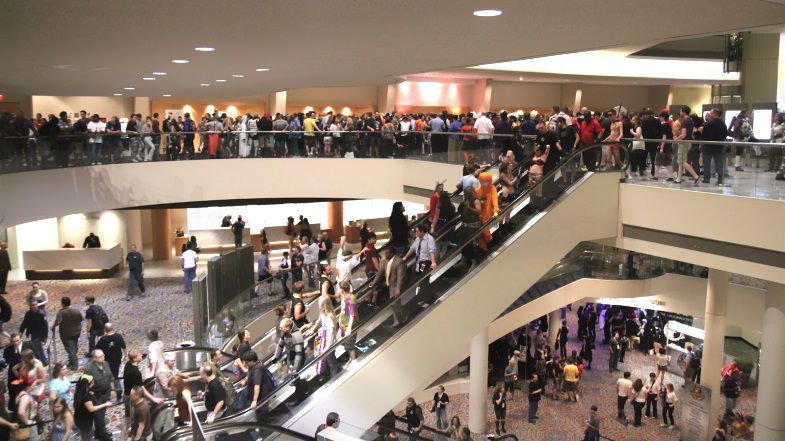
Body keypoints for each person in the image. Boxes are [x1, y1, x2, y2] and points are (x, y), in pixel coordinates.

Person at [83, 349, 115, 441]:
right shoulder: (89, 369)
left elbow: (110, 377)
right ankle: (102, 433)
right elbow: (85, 384)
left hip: (106, 393)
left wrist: (112, 389)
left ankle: (99, 432)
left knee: (102, 413)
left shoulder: (106, 363)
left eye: (103, 355)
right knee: (99, 415)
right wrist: (90, 393)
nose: (103, 358)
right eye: (100, 357)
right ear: (94, 358)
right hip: (96, 396)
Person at [373, 247, 407, 327]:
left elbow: (400, 276)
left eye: (387, 253)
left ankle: (398, 321)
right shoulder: (385, 261)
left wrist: (398, 289)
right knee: (394, 305)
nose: (385, 255)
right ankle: (401, 318)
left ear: (392, 253)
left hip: (395, 286)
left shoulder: (399, 262)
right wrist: (374, 282)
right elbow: (380, 273)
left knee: (394, 304)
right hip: (388, 285)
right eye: (385, 253)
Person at [73, 374, 113, 441]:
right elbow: (91, 409)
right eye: (92, 382)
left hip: (79, 418)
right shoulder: (86, 396)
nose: (94, 383)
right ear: (88, 384)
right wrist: (105, 404)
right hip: (85, 420)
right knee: (87, 436)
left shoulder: (79, 392)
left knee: (87, 433)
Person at [95, 323, 125, 401]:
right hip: (117, 359)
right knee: (115, 374)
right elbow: (124, 347)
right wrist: (125, 356)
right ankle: (118, 388)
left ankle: (110, 392)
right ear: (112, 328)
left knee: (108, 376)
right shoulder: (118, 336)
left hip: (107, 361)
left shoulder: (103, 339)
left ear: (105, 329)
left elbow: (97, 350)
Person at [52, 297, 82, 371]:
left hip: (66, 334)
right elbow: (80, 319)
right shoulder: (76, 310)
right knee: (74, 345)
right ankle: (72, 360)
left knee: (70, 349)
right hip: (77, 332)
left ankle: (74, 365)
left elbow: (58, 322)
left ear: (62, 303)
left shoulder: (61, 312)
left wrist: (53, 326)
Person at [701, 108, 729, 186]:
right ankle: (720, 180)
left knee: (706, 163)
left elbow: (703, 137)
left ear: (715, 114)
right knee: (719, 164)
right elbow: (725, 134)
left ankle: (706, 179)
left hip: (707, 147)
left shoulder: (707, 124)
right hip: (719, 147)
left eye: (711, 112)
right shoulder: (723, 124)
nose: (709, 114)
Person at [18, 301, 48, 365]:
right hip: (33, 333)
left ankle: (40, 362)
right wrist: (21, 331)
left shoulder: (41, 314)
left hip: (39, 334)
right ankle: (44, 361)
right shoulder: (28, 313)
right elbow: (24, 323)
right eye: (32, 305)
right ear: (30, 306)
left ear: (37, 305)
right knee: (39, 348)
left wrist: (45, 336)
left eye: (35, 304)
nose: (34, 306)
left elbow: (45, 326)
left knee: (36, 348)